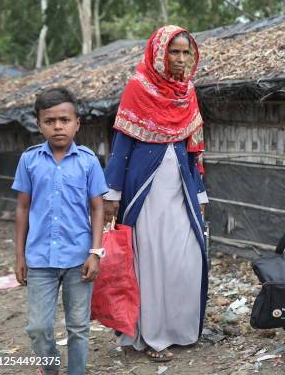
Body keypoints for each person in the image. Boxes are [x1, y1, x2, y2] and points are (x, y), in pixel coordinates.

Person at [103, 25, 208, 362]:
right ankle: (150, 336)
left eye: (184, 52)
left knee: (185, 258)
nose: (179, 59)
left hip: (180, 191)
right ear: (159, 53)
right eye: (173, 51)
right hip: (143, 194)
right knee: (148, 262)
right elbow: (120, 148)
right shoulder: (137, 88)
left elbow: (194, 152)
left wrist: (201, 195)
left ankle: (178, 329)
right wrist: (112, 193)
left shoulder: (187, 92)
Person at [12, 87, 108, 375]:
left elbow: (98, 208)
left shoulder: (88, 161)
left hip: (79, 258)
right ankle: (50, 366)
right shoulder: (29, 160)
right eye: (50, 121)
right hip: (40, 259)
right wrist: (19, 256)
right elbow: (22, 209)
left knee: (78, 326)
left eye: (64, 120)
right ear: (39, 124)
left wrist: (95, 252)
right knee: (38, 327)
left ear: (77, 123)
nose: (57, 127)